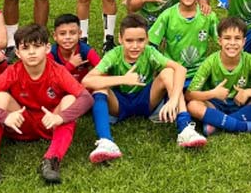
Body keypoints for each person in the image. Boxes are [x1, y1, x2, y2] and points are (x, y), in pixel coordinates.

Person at [0, 24, 94, 186]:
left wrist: (61, 117)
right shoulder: (13, 71)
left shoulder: (58, 71)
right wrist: (4, 117)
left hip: (50, 123)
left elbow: (86, 98)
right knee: (0, 97)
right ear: (17, 53)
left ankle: (52, 160)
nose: (31, 52)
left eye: (37, 46)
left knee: (70, 99)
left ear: (47, 48)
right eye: (25, 48)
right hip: (20, 124)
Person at [84, 14, 208, 164]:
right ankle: (106, 141)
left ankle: (185, 128)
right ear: (120, 39)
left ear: (147, 39)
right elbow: (86, 81)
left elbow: (180, 69)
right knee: (99, 87)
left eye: (140, 40)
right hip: (119, 103)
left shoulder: (149, 52)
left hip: (147, 101)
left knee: (168, 72)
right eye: (129, 41)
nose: (135, 46)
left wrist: (174, 99)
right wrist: (123, 79)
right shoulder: (113, 55)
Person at [186, 17, 251, 135]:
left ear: (244, 41)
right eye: (227, 38)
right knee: (193, 106)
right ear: (219, 40)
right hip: (215, 104)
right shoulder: (210, 62)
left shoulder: (250, 60)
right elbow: (189, 95)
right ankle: (245, 126)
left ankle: (217, 122)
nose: (232, 43)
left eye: (237, 38)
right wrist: (213, 93)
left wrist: (247, 92)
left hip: (241, 104)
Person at [148, 0, 218, 81]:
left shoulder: (208, 16)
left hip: (199, 71)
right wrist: (160, 64)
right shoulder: (167, 16)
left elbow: (223, 41)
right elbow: (151, 44)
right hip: (173, 70)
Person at [50, 14, 101, 84]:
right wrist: (70, 65)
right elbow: (50, 80)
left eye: (72, 33)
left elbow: (103, 71)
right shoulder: (51, 54)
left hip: (83, 88)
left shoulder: (86, 51)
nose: (67, 37)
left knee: (102, 88)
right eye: (62, 33)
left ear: (79, 34)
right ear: (55, 36)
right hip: (59, 89)